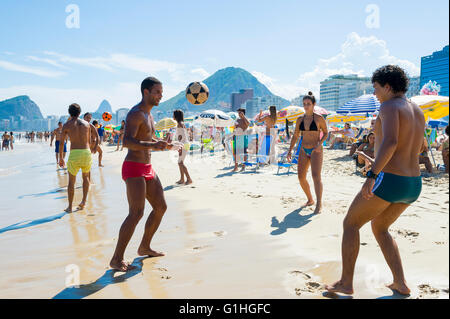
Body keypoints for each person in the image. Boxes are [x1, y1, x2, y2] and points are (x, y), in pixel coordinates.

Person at [326, 65, 425, 296]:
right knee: (380, 227)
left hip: (390, 180)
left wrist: (372, 175)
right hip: (413, 183)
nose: (375, 93)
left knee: (351, 224)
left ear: (388, 87)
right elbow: (419, 146)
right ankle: (400, 282)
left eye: (376, 88)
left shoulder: (389, 106)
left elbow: (390, 142)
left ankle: (346, 283)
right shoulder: (417, 110)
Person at [110, 77, 178, 272]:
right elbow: (127, 142)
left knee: (160, 207)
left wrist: (164, 144)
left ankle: (144, 246)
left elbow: (149, 138)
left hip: (147, 167)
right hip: (133, 167)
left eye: (161, 92)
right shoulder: (136, 114)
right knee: (136, 213)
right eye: (157, 92)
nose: (161, 96)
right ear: (146, 92)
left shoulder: (149, 115)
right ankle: (116, 259)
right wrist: (152, 145)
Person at [287, 92, 328, 214]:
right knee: (301, 177)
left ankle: (319, 203)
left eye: (308, 104)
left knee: (316, 177)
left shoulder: (319, 118)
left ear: (313, 104)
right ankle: (310, 199)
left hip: (316, 150)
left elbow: (326, 133)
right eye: (304, 104)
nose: (306, 106)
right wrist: (290, 150)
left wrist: (319, 143)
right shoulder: (300, 119)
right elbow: (295, 135)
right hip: (303, 150)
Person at [59, 104, 95, 213]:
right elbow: (89, 140)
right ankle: (83, 202)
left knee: (71, 181)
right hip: (86, 152)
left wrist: (61, 157)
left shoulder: (67, 125)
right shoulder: (87, 124)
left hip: (74, 153)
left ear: (69, 113)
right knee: (86, 177)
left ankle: (70, 207)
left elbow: (61, 143)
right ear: (80, 113)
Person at [173, 109, 193, 185]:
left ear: (176, 116)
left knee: (180, 162)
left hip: (183, 144)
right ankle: (182, 179)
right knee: (180, 162)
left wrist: (179, 145)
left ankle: (189, 179)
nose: (173, 116)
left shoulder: (179, 124)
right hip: (185, 144)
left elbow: (181, 136)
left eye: (173, 114)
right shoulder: (182, 123)